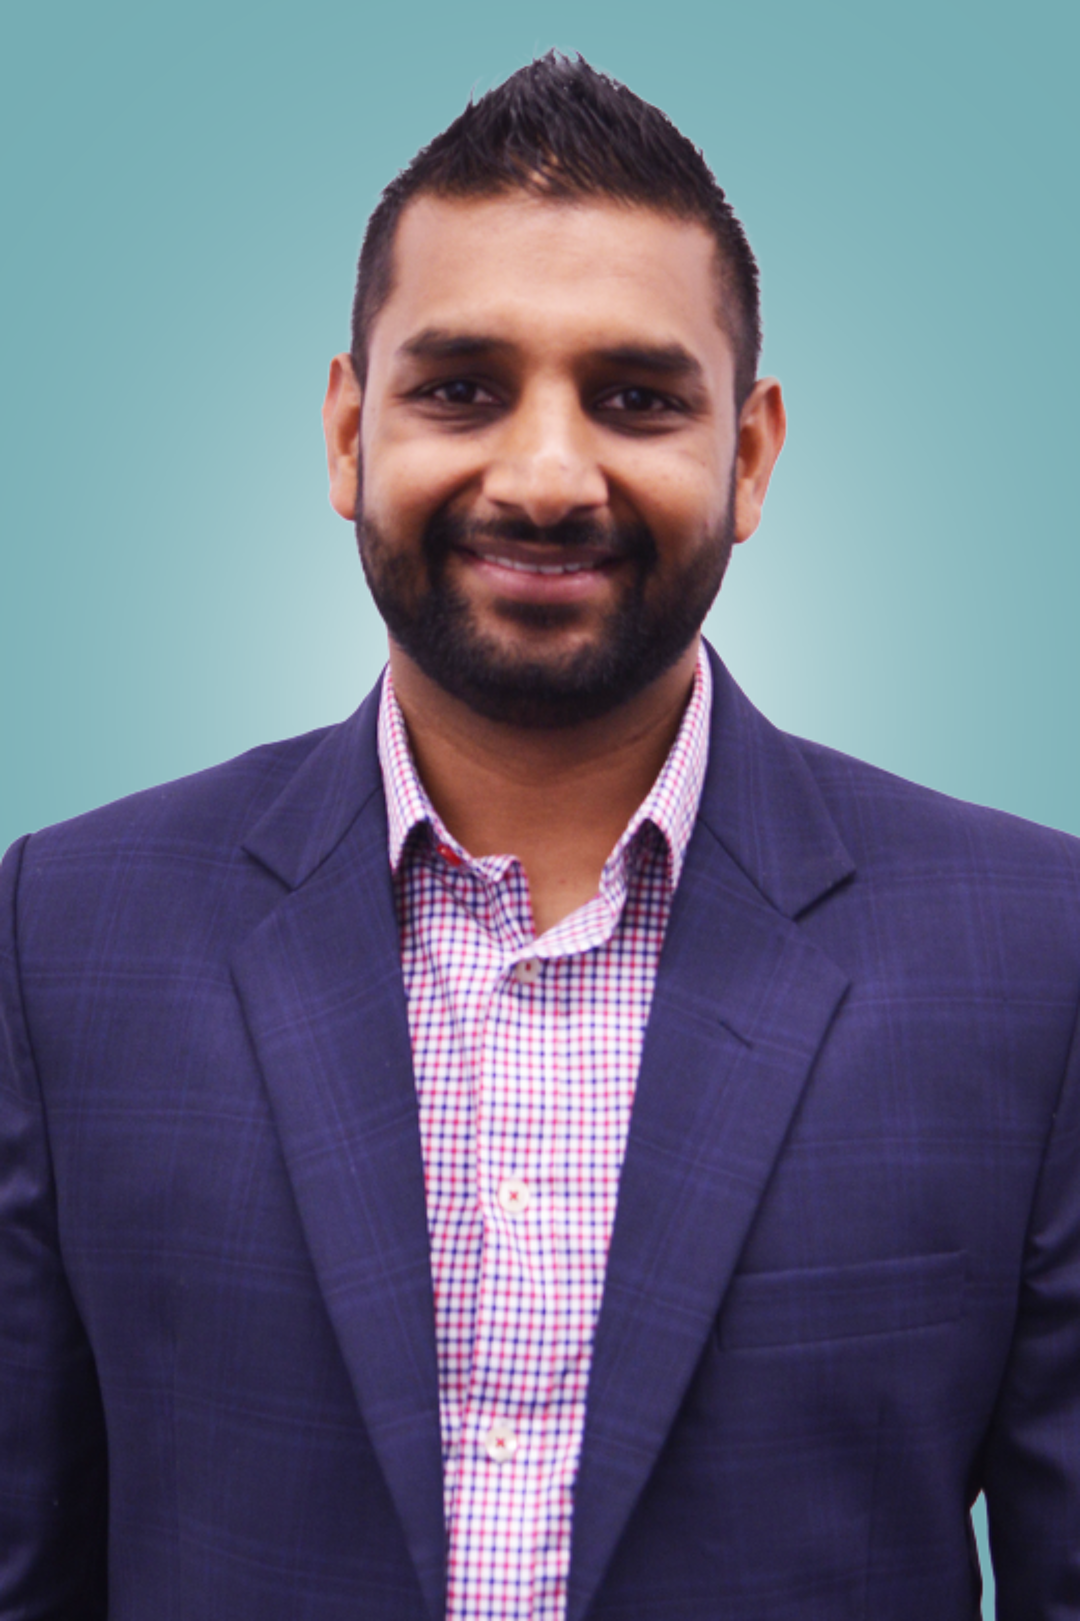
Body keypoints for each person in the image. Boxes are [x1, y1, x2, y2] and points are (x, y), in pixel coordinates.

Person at [2, 50, 1079, 1621]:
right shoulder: (67, 931)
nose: (549, 472)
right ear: (347, 432)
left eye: (636, 397)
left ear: (753, 454)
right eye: (462, 389)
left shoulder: (1032, 951)